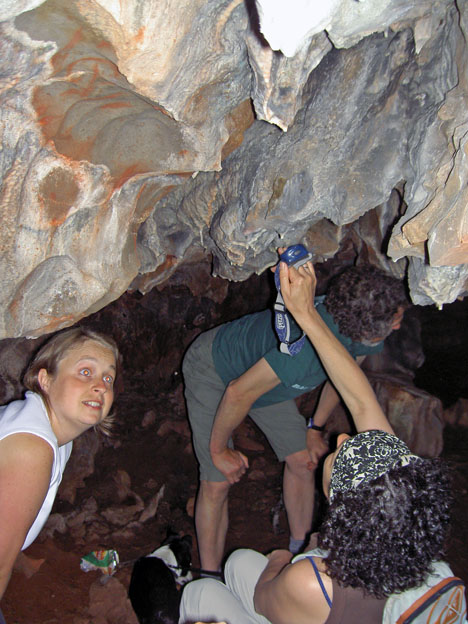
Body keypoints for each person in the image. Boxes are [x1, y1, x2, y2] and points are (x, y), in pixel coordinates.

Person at [178, 260, 452, 624]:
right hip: (218, 372)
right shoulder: (300, 355)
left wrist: (312, 427)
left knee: (303, 461)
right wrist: (219, 450)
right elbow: (239, 392)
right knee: (216, 480)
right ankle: (210, 572)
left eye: (341, 453)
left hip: (261, 388)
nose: (341, 438)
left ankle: (293, 547)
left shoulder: (362, 332)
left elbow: (346, 383)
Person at [0, 327, 119, 611]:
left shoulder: (51, 433)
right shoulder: (32, 449)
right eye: (85, 372)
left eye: (108, 377)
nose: (101, 386)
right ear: (45, 380)